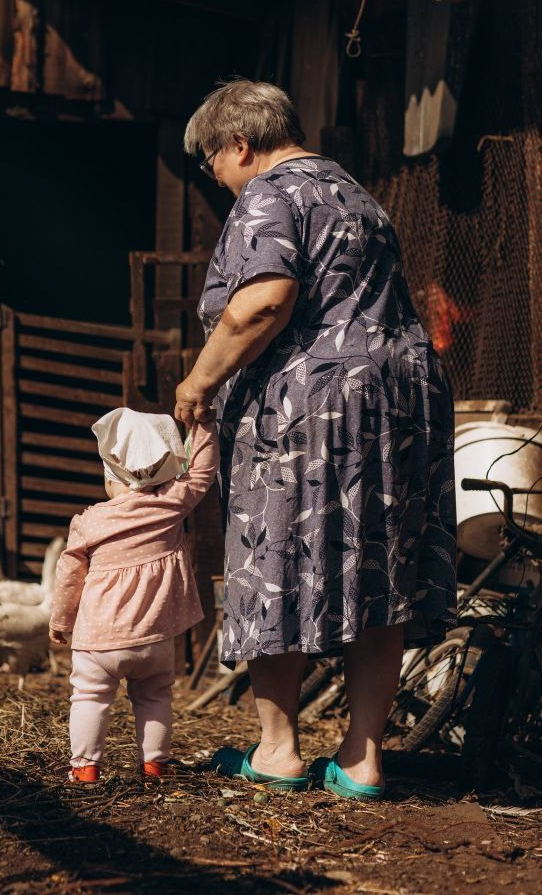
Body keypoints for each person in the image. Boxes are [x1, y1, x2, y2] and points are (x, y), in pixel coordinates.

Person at [174, 79, 456, 800]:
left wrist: (199, 382)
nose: (220, 179)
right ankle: (362, 760)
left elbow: (264, 301)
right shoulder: (360, 196)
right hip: (397, 398)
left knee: (277, 557)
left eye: (214, 163)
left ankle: (276, 750)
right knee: (378, 567)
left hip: (314, 407)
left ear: (240, 143)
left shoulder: (270, 192)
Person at [49, 407, 218, 783]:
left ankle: (85, 769)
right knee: (155, 697)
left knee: (90, 698)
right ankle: (155, 765)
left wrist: (61, 622)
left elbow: (69, 574)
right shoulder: (170, 505)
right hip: (156, 639)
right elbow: (204, 472)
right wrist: (203, 423)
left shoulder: (90, 521)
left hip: (100, 641)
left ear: (113, 476)